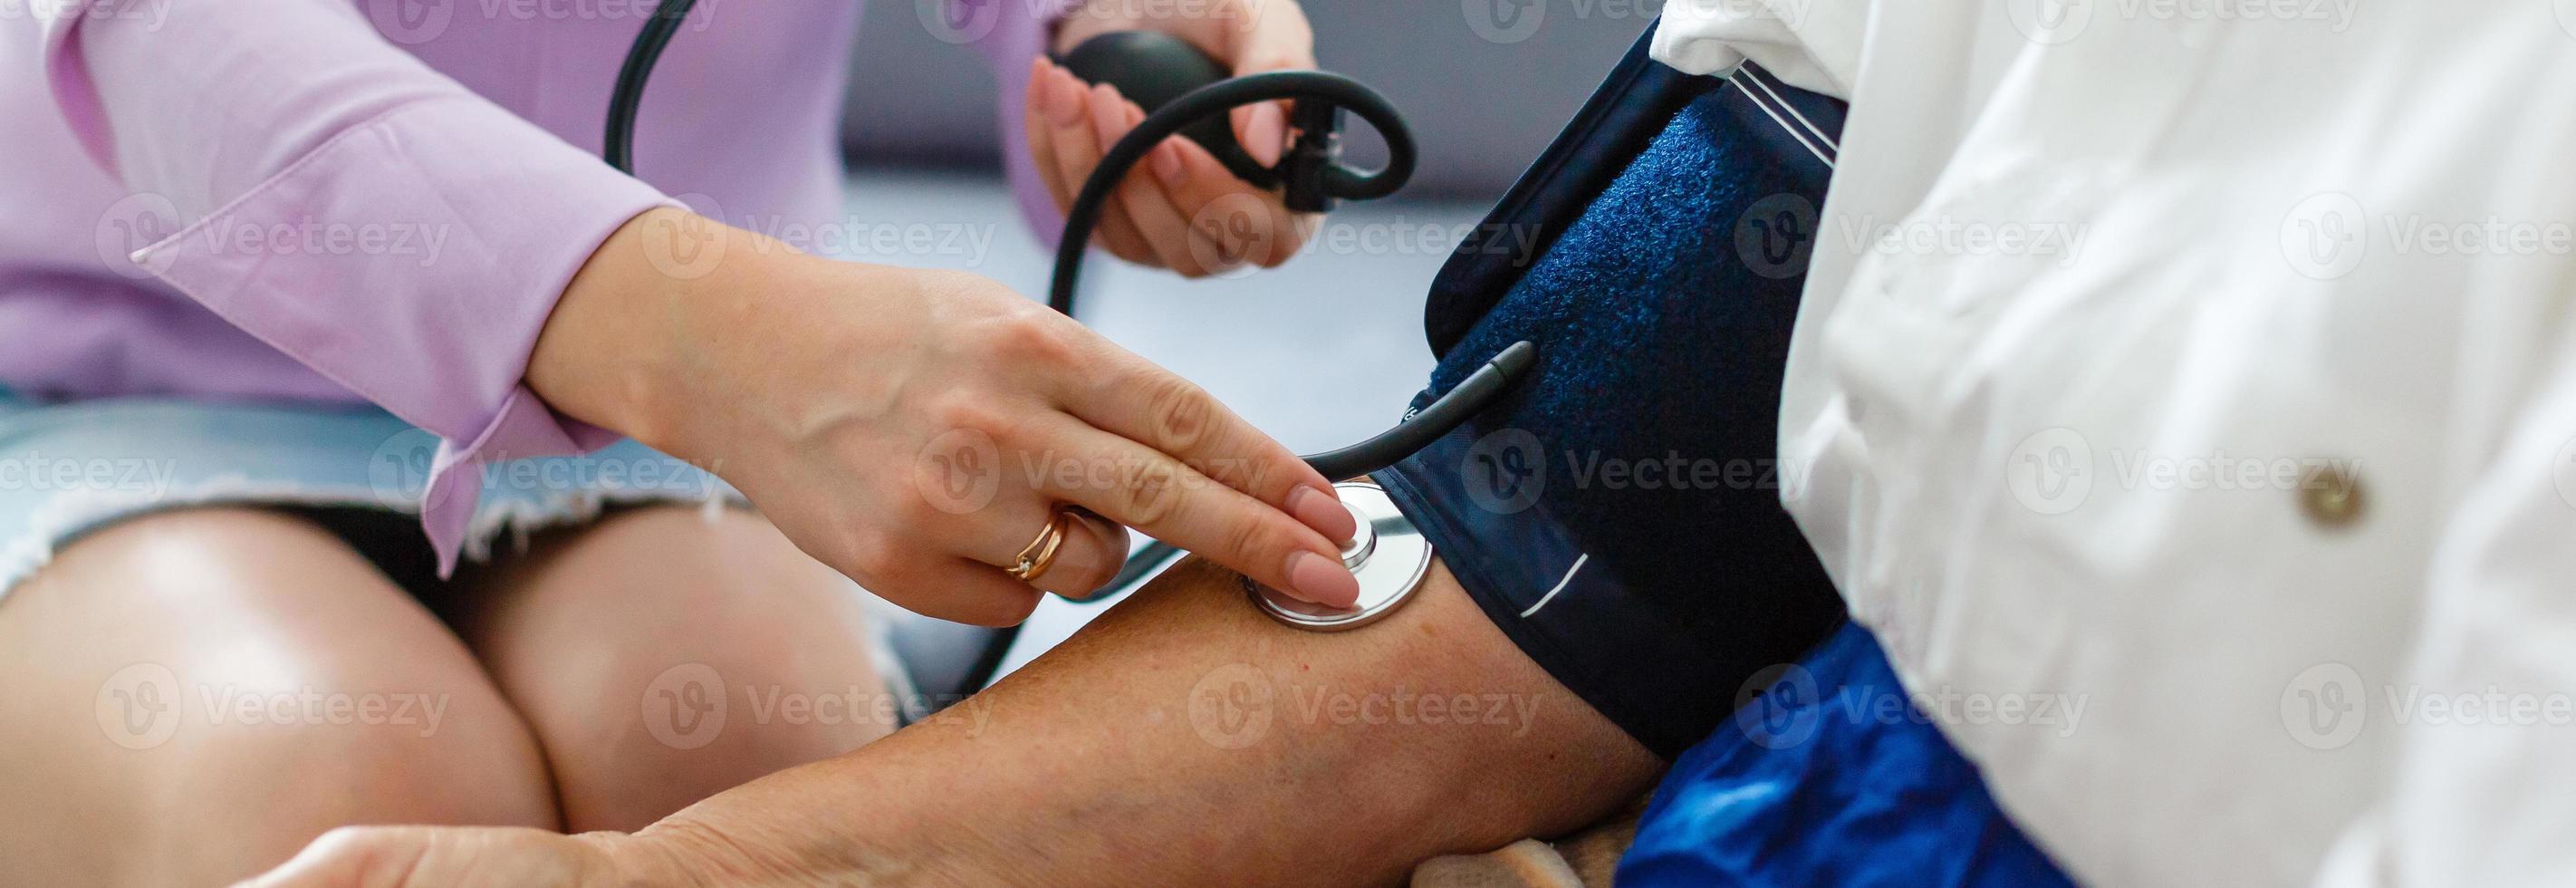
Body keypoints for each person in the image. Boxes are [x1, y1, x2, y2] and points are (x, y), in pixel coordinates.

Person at [245, 24, 2068, 887]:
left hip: (665, 442)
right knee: (281, 784)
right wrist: (703, 329)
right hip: (136, 373)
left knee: (704, 735)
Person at [0, 1, 1361, 883]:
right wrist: (737, 349)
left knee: (749, 769)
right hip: (106, 376)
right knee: (340, 791)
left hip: (663, 432)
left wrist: (1110, 45)